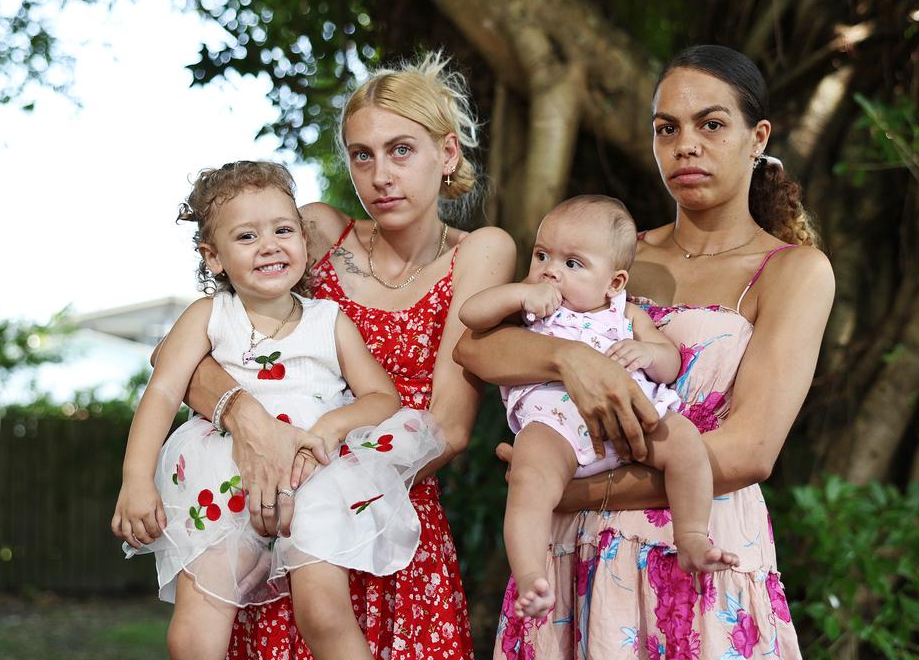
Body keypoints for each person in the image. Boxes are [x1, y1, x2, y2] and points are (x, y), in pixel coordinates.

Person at [456, 44, 834, 659]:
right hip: (570, 553)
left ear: (757, 136)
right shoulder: (612, 257)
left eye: (711, 124)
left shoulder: (792, 271)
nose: (686, 144)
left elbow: (750, 451)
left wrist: (577, 491)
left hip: (694, 548)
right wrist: (565, 361)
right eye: (667, 128)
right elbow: (477, 351)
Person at [172, 54, 514, 660]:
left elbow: (449, 428)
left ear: (449, 154)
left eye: (401, 150)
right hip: (269, 513)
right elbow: (187, 352)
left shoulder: (479, 252)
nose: (381, 174)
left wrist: (318, 493)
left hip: (385, 522)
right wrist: (249, 421)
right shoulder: (320, 230)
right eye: (363, 154)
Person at [112, 161, 446, 660]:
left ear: (304, 244)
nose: (270, 245)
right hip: (220, 485)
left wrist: (332, 426)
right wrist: (136, 480)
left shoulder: (328, 320)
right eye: (247, 236)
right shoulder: (208, 316)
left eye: (283, 230)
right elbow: (162, 392)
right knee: (193, 634)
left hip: (314, 480)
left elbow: (382, 398)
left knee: (324, 614)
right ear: (214, 257)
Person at [460, 195, 739, 620]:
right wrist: (519, 293)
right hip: (555, 426)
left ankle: (693, 536)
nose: (550, 269)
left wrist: (646, 351)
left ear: (614, 282)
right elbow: (471, 315)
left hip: (632, 420)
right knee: (530, 478)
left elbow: (669, 364)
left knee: (684, 442)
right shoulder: (530, 311)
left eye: (573, 263)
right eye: (541, 255)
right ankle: (532, 574)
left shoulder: (625, 314)